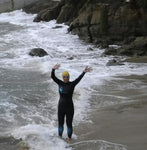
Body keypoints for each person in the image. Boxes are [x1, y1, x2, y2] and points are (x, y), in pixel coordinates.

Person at [51, 64, 92, 143]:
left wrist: (84, 72)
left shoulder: (72, 84)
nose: (66, 78)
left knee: (69, 124)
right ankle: (60, 137)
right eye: (64, 77)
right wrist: (53, 69)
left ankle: (69, 139)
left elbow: (79, 79)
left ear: (69, 77)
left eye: (67, 76)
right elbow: (53, 77)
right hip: (61, 107)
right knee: (60, 123)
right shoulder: (60, 83)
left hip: (69, 107)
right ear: (62, 78)